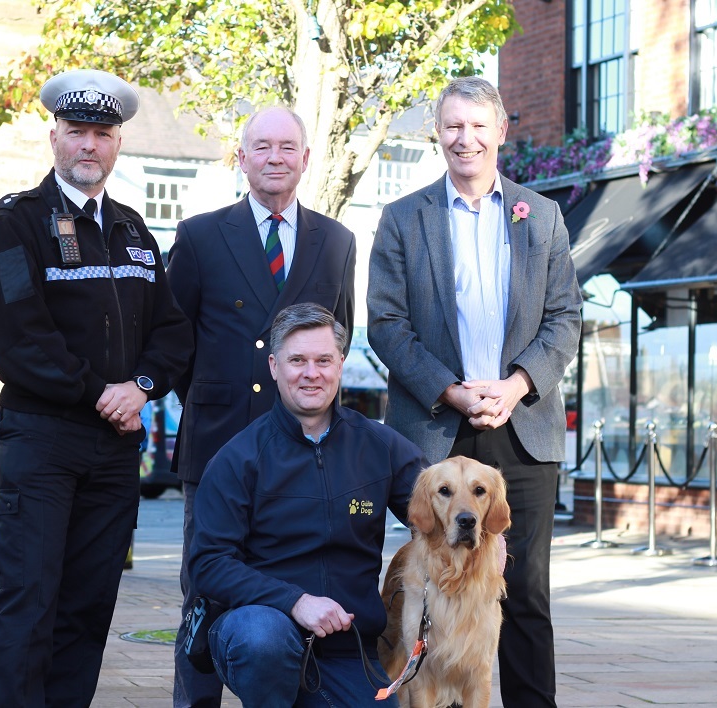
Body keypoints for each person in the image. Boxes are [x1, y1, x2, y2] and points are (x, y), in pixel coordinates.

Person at [0, 69, 193, 707]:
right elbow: (18, 337)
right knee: (30, 601)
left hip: (115, 452)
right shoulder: (16, 225)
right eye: (77, 132)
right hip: (43, 441)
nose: (89, 146)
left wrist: (143, 386)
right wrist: (103, 393)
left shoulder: (133, 230)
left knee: (89, 605)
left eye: (102, 133)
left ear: (118, 145)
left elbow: (173, 331)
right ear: (54, 138)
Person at [366, 76, 582, 708]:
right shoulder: (403, 218)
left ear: (501, 132)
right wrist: (453, 391)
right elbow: (386, 321)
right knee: (425, 587)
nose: (466, 139)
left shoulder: (541, 217)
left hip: (523, 427)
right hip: (436, 427)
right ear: (438, 133)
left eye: (478, 126)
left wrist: (515, 386)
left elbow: (566, 317)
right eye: (453, 126)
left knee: (525, 595)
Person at [166, 106, 357, 706]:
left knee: (292, 582)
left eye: (287, 147)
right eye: (262, 147)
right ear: (241, 158)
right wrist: (210, 400)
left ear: (305, 158)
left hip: (302, 451)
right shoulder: (199, 235)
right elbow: (175, 340)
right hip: (219, 440)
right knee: (205, 589)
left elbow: (337, 337)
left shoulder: (338, 241)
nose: (275, 158)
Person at [189, 303, 427, 707]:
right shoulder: (238, 458)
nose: (311, 373)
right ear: (273, 366)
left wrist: (491, 539)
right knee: (264, 637)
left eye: (323, 360)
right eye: (297, 360)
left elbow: (439, 504)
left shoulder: (380, 446)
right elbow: (208, 564)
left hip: (349, 648)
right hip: (258, 632)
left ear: (340, 364)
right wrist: (294, 602)